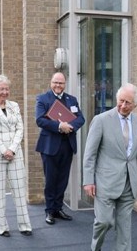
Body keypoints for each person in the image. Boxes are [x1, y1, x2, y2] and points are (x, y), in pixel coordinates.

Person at [83, 83, 137, 251]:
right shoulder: (101, 120)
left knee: (125, 230)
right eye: (121, 101)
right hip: (105, 182)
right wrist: (88, 181)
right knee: (103, 222)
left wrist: (136, 180)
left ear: (136, 104)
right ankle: (95, 248)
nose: (123, 106)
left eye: (128, 103)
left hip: (128, 184)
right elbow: (90, 154)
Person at [0, 75, 33, 237]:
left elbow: (20, 129)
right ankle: (2, 227)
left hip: (15, 154)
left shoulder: (14, 106)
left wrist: (12, 149)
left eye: (7, 89)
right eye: (1, 89)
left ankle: (25, 226)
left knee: (19, 190)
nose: (5, 92)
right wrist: (4, 150)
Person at [35, 72, 85, 224]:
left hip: (67, 145)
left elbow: (81, 118)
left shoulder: (72, 100)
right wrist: (59, 126)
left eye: (61, 83)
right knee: (51, 179)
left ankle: (58, 208)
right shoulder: (43, 99)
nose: (58, 85)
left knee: (63, 179)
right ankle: (50, 211)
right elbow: (40, 120)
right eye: (55, 82)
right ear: (51, 83)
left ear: (65, 84)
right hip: (50, 146)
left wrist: (69, 126)